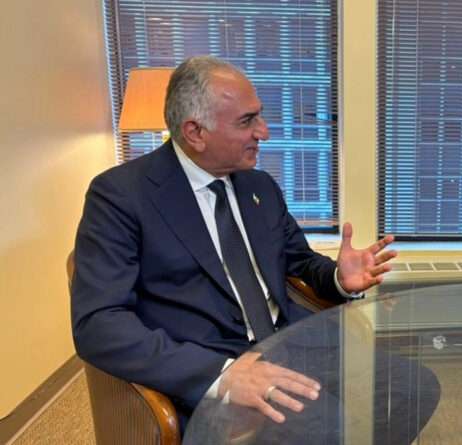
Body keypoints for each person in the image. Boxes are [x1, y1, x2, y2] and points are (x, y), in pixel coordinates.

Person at [70, 55, 439, 441]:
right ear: (195, 132)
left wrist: (338, 278)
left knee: (414, 389)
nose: (264, 132)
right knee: (329, 427)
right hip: (212, 357)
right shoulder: (122, 196)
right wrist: (220, 374)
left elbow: (299, 260)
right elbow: (98, 323)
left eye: (259, 116)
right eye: (247, 121)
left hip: (294, 340)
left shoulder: (258, 186)